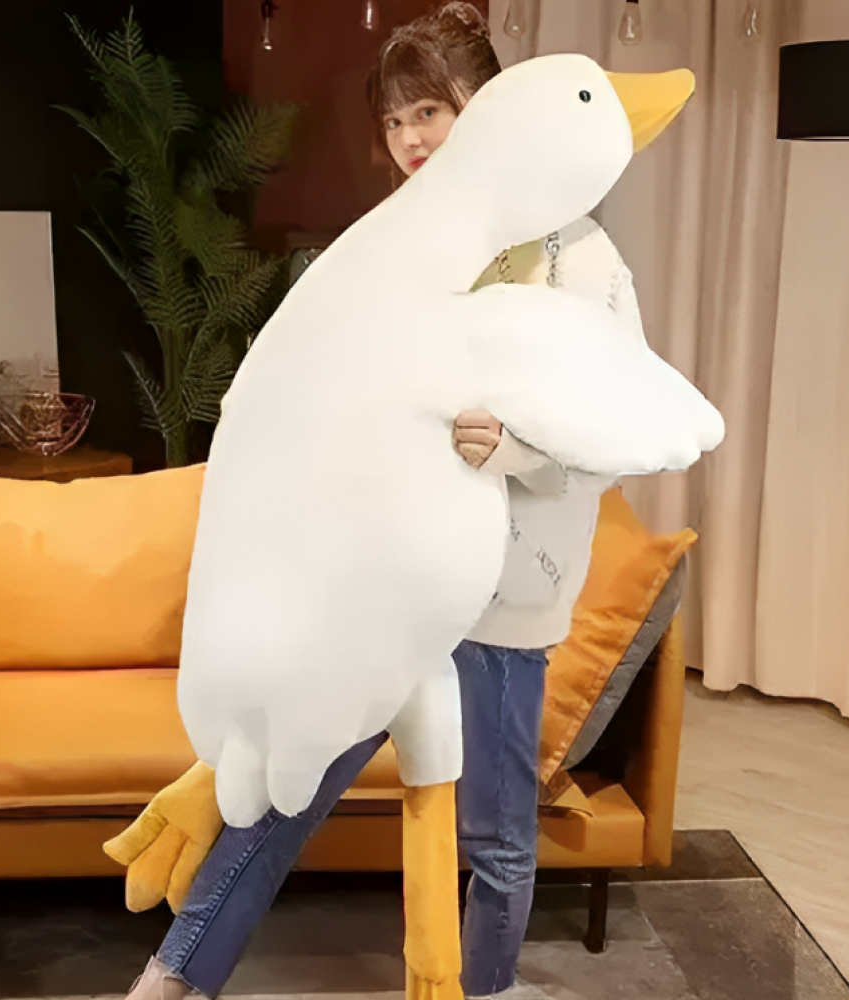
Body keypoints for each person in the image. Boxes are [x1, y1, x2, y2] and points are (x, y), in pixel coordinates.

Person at [123, 5, 633, 998]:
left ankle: (483, 989)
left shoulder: (580, 259)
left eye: (429, 111)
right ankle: (170, 980)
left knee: (495, 834)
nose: (409, 138)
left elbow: (616, 436)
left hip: (501, 599)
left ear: (488, 105)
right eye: (395, 119)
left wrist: (516, 448)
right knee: (281, 790)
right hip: (382, 588)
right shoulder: (397, 248)